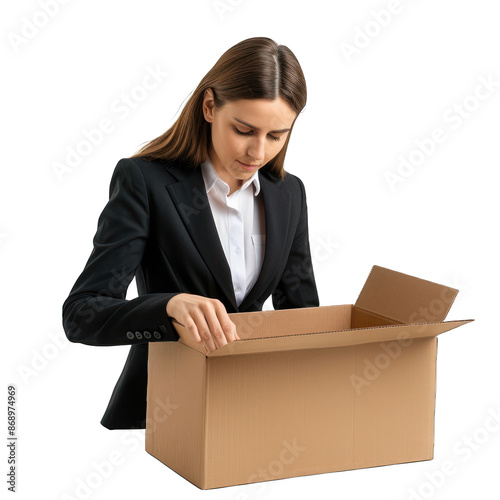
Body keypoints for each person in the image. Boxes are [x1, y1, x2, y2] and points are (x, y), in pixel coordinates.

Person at [62, 36, 320, 430]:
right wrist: (168, 307)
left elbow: (302, 317)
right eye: (244, 130)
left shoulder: (289, 193)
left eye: (276, 136)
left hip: (256, 410)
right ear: (210, 106)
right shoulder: (145, 182)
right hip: (163, 415)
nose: (258, 153)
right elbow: (82, 314)